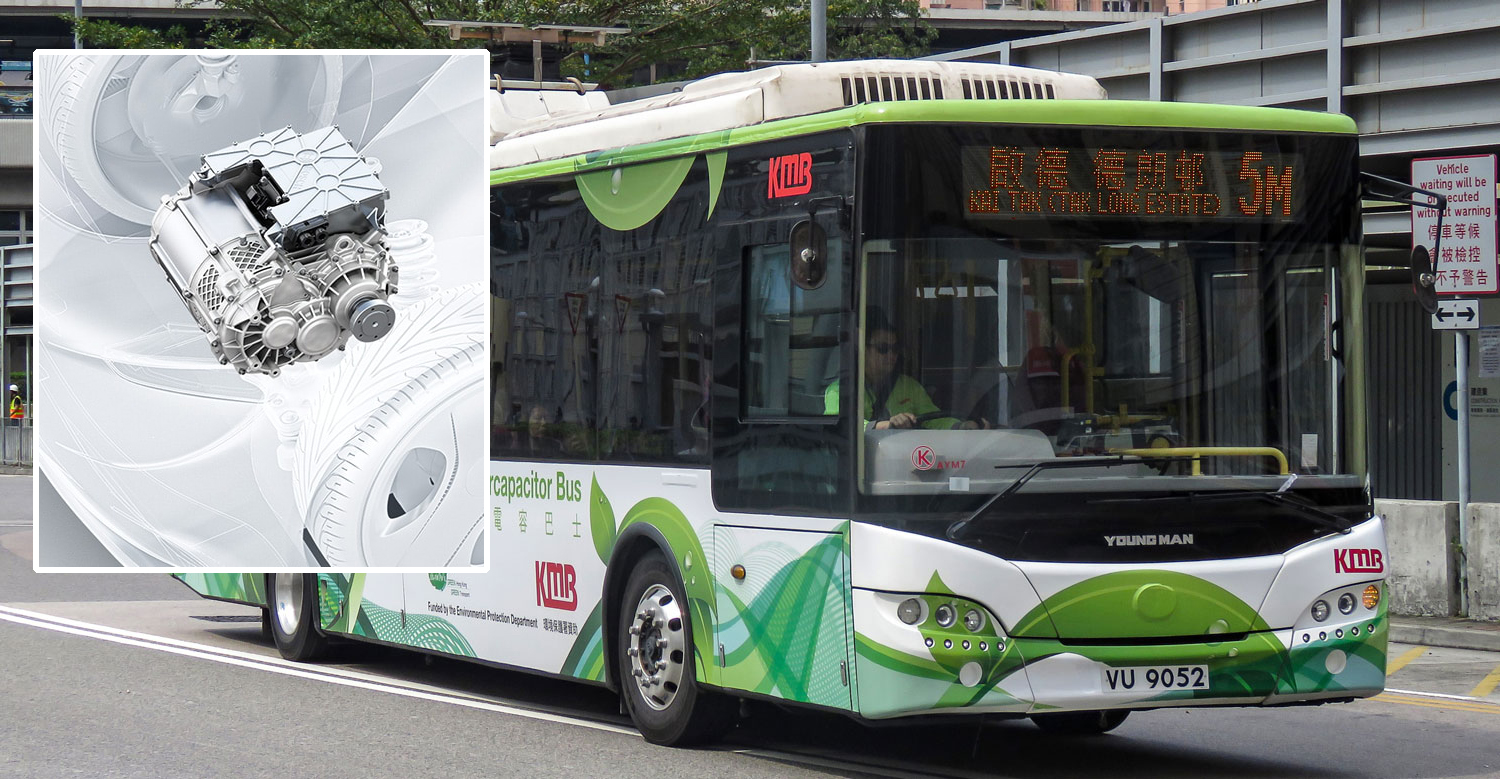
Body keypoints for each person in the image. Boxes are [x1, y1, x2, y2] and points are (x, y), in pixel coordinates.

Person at [825, 312, 984, 430]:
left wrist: (960, 426)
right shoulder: (839, 391)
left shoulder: (909, 386)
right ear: (863, 350)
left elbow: (934, 418)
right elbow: (843, 427)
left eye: (895, 349)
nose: (891, 355)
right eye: (883, 348)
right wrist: (887, 425)